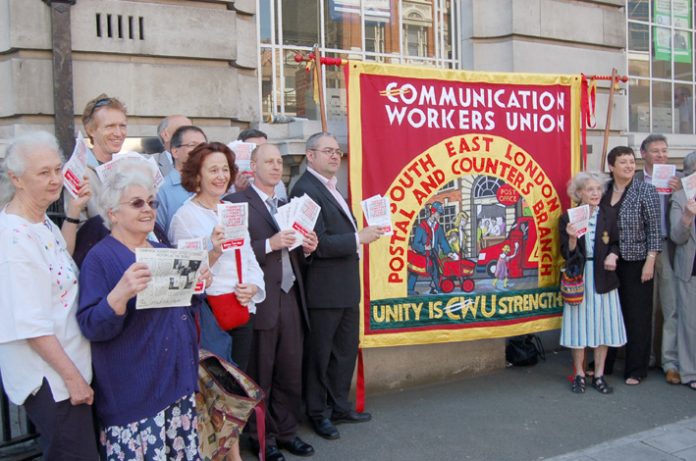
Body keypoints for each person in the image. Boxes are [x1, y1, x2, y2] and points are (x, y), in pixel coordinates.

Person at [77, 166, 211, 460]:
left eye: (152, 202)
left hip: (176, 382)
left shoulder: (161, 249)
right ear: (113, 213)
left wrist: (198, 286)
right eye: (137, 203)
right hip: (135, 392)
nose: (148, 209)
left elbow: (180, 310)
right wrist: (120, 294)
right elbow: (91, 326)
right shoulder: (100, 258)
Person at [0, 132, 99, 460]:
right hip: (52, 381)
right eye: (44, 173)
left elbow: (62, 260)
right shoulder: (15, 241)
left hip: (67, 369)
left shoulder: (39, 221)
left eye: (58, 169)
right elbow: (32, 325)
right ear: (16, 178)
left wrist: (73, 212)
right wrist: (73, 381)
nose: (56, 179)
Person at [225, 143, 318, 461]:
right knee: (260, 371)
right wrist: (268, 243)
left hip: (290, 296)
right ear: (253, 166)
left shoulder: (289, 203)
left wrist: (307, 247)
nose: (277, 167)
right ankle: (263, 439)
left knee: (290, 369)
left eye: (279, 161)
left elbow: (293, 254)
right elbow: (231, 250)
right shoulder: (236, 202)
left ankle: (288, 432)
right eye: (269, 161)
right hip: (261, 298)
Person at [290, 132, 383, 440]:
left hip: (344, 287)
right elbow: (314, 244)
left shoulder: (331, 188)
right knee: (320, 355)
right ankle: (317, 413)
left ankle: (339, 406)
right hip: (323, 290)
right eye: (327, 151)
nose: (334, 156)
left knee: (343, 352)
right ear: (310, 155)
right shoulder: (305, 189)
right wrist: (359, 238)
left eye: (337, 152)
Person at [169, 142, 265, 373]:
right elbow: (184, 276)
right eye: (213, 170)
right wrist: (212, 251)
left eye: (225, 169)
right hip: (209, 314)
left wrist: (253, 286)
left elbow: (249, 255)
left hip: (241, 307)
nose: (221, 176)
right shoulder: (184, 217)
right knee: (218, 385)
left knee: (243, 382)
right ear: (197, 175)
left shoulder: (230, 209)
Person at [559, 171, 627, 394]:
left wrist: (613, 255)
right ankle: (578, 374)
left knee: (603, 327)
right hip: (580, 277)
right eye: (590, 189)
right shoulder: (568, 217)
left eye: (598, 189)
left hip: (604, 278)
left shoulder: (609, 214)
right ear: (579, 193)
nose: (596, 193)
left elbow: (616, 242)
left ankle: (598, 375)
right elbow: (566, 254)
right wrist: (571, 238)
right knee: (579, 328)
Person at [602, 146, 661, 385]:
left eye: (631, 161)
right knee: (608, 313)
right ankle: (604, 362)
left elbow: (655, 229)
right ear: (611, 167)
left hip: (637, 262)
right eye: (623, 162)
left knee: (637, 315)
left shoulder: (645, 190)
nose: (628, 166)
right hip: (607, 262)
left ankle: (636, 369)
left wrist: (650, 260)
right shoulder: (604, 189)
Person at [637, 134, 682, 385]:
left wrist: (678, 193)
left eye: (664, 151)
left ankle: (670, 362)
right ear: (643, 153)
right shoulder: (636, 180)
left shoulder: (678, 180)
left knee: (670, 305)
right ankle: (646, 357)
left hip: (668, 246)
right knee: (645, 307)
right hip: (644, 250)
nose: (661, 155)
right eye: (656, 151)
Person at [669, 151, 696, 390]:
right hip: (691, 268)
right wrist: (687, 216)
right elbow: (677, 237)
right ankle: (690, 372)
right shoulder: (680, 197)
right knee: (690, 323)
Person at [79, 94, 128, 218]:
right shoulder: (80, 172)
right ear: (91, 130)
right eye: (110, 126)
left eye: (122, 126)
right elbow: (79, 228)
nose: (118, 133)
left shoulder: (126, 167)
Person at [156, 125, 207, 234]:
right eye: (192, 145)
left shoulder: (211, 184)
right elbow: (157, 233)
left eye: (203, 146)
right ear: (175, 152)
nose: (200, 151)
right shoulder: (162, 189)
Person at [408, 201, 457, 294]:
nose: (440, 216)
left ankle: (437, 288)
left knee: (436, 272)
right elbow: (415, 244)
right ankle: (410, 289)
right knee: (415, 272)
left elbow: (443, 241)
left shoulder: (438, 227)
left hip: (433, 253)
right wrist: (424, 248)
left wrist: (448, 252)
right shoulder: (421, 227)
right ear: (433, 212)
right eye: (439, 214)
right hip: (422, 254)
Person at [230, 128, 287, 200]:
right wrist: (238, 192)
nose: (261, 152)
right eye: (255, 149)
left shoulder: (276, 181)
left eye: (264, 148)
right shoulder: (226, 181)